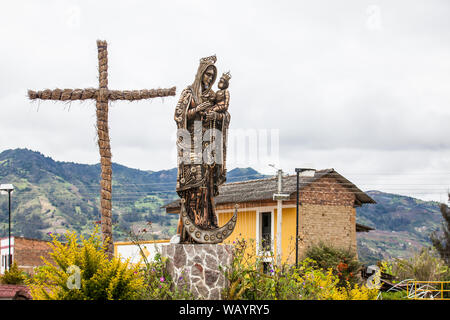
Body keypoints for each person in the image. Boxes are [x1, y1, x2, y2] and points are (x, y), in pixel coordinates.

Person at [171, 55, 231, 244]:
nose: (209, 79)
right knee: (194, 184)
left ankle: (206, 223)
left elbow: (225, 114)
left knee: (207, 182)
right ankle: (191, 228)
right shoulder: (189, 92)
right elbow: (178, 115)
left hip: (208, 145)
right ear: (201, 73)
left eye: (212, 76)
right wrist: (196, 111)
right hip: (191, 143)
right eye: (207, 74)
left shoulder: (214, 96)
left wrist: (215, 114)